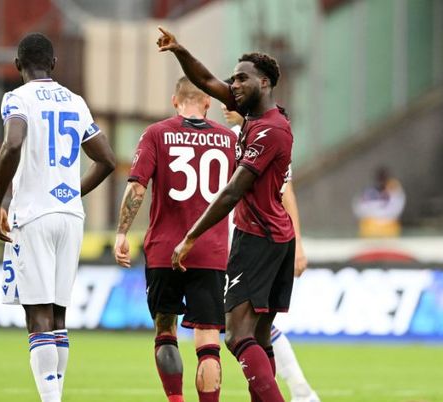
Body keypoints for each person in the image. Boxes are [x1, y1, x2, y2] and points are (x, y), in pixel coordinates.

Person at [159, 27, 294, 402]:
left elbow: (233, 190)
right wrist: (179, 49)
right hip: (275, 237)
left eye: (241, 79)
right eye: (232, 78)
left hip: (259, 239)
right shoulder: (259, 116)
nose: (232, 85)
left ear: (264, 82)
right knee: (260, 338)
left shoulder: (270, 131)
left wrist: (191, 236)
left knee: (236, 335)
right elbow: (203, 79)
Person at [0, 33, 116, 402]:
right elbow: (106, 160)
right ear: (54, 64)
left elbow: (12, 143)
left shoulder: (17, 98)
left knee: (38, 316)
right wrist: (70, 193)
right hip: (71, 216)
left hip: (33, 215)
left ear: (18, 65)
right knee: (59, 317)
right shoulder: (76, 102)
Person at [114, 77, 237, 402]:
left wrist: (122, 232)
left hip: (164, 252)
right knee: (208, 341)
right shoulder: (228, 140)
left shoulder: (156, 133)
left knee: (165, 330)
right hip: (210, 252)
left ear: (174, 101)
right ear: (208, 102)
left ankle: (175, 400)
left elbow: (137, 188)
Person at [222, 105, 320, 402]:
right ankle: (301, 390)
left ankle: (300, 391)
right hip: (245, 241)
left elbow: (284, 191)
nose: (226, 106)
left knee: (242, 331)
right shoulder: (248, 135)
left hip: (248, 242)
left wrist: (299, 242)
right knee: (257, 329)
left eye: (234, 98)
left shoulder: (246, 138)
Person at [351, 166, 406, 238]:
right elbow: (358, 207)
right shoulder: (368, 192)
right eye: (380, 177)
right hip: (369, 228)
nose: (381, 180)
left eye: (383, 177)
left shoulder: (394, 190)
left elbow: (397, 207)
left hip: (389, 228)